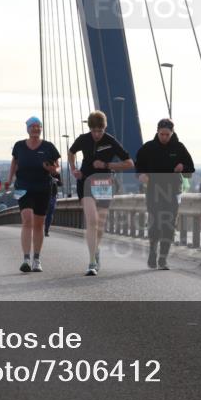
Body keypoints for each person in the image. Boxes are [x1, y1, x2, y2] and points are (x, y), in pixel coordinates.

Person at [68, 110, 134, 276]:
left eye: (100, 130)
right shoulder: (83, 139)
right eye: (94, 130)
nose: (97, 134)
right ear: (90, 128)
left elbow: (129, 163)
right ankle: (91, 262)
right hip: (86, 182)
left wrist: (106, 165)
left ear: (104, 128)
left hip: (104, 183)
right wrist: (74, 169)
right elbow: (71, 152)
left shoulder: (110, 141)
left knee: (100, 224)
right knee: (92, 219)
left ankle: (96, 250)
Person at [135, 119, 195, 270]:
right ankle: (152, 252)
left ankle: (163, 259)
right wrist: (141, 175)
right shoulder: (148, 147)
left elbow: (190, 171)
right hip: (153, 190)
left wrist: (183, 167)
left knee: (168, 225)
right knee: (155, 224)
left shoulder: (179, 148)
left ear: (172, 133)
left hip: (173, 191)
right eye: (162, 134)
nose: (164, 137)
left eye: (167, 134)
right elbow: (138, 166)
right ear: (157, 132)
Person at [7, 116, 61, 272]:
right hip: (22, 187)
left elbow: (56, 168)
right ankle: (26, 259)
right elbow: (14, 162)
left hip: (43, 188)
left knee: (38, 224)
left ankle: (36, 259)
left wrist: (52, 169)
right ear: (27, 128)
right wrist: (9, 179)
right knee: (27, 219)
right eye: (32, 126)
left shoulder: (49, 147)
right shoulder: (19, 146)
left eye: (38, 126)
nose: (35, 129)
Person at [44, 172, 63, 237]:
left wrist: (57, 181)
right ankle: (39, 228)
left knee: (50, 213)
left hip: (52, 196)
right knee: (41, 213)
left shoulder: (56, 173)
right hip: (42, 195)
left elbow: (60, 184)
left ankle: (46, 230)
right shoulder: (42, 170)